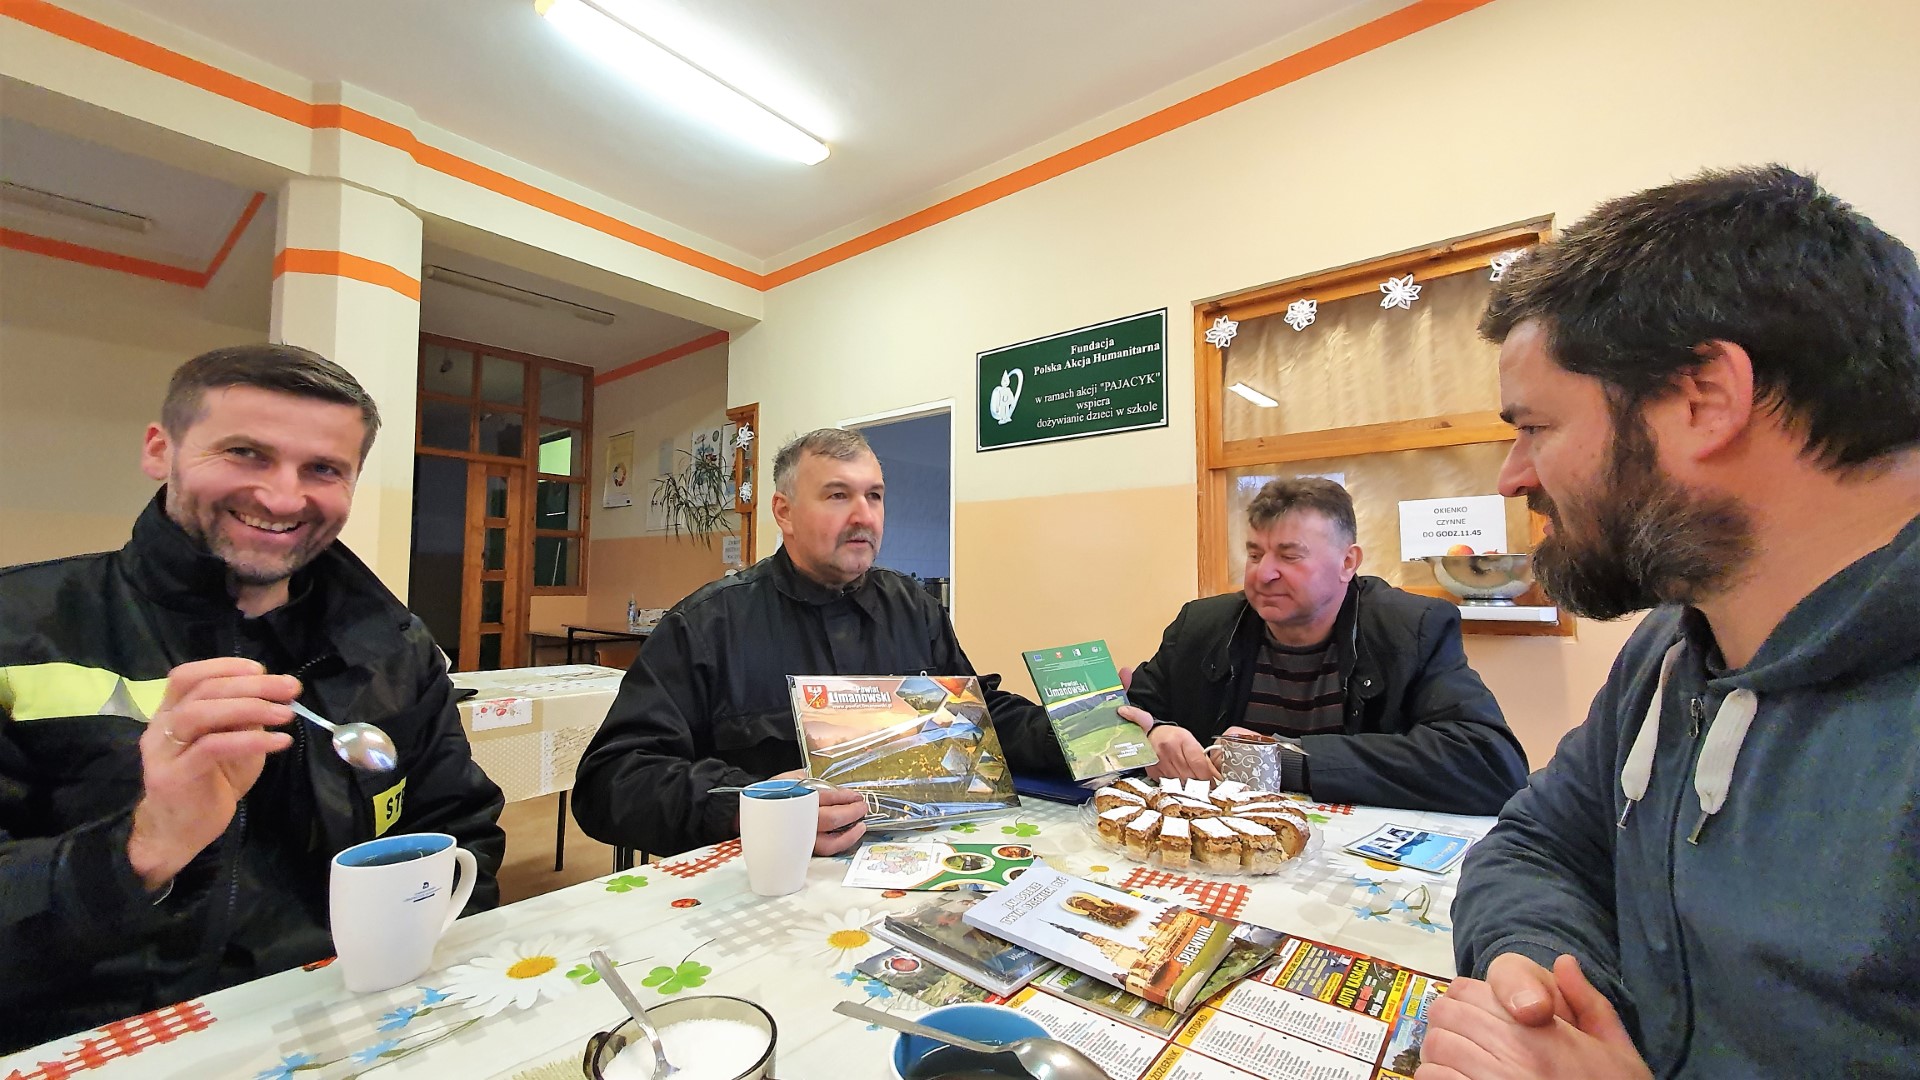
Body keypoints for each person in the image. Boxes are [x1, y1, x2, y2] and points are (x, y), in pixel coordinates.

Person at [1429, 167, 1920, 1079]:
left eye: (1536, 427)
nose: (1513, 477)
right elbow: (1535, 845)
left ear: (1706, 398)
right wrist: (1544, 993)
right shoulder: (1673, 646)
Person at [0, 345, 506, 1053]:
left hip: (361, 1024)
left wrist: (422, 982)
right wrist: (145, 846)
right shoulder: (19, 630)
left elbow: (459, 827)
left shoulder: (395, 648)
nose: (282, 498)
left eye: (323, 469)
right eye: (246, 454)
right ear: (160, 450)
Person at [572, 428, 1067, 858]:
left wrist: (1082, 731)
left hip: (915, 869)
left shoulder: (915, 609)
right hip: (769, 887)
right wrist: (749, 805)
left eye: (874, 496)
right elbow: (611, 781)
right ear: (784, 512)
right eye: (837, 496)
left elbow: (978, 717)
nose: (864, 516)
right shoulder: (705, 627)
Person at [1119, 477, 1527, 816]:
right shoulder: (1202, 625)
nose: (1264, 574)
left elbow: (1491, 765)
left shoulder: (1411, 628)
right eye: (1255, 554)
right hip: (1217, 850)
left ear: (1348, 563)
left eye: (1289, 556)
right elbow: (1106, 730)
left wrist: (1285, 760)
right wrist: (1151, 733)